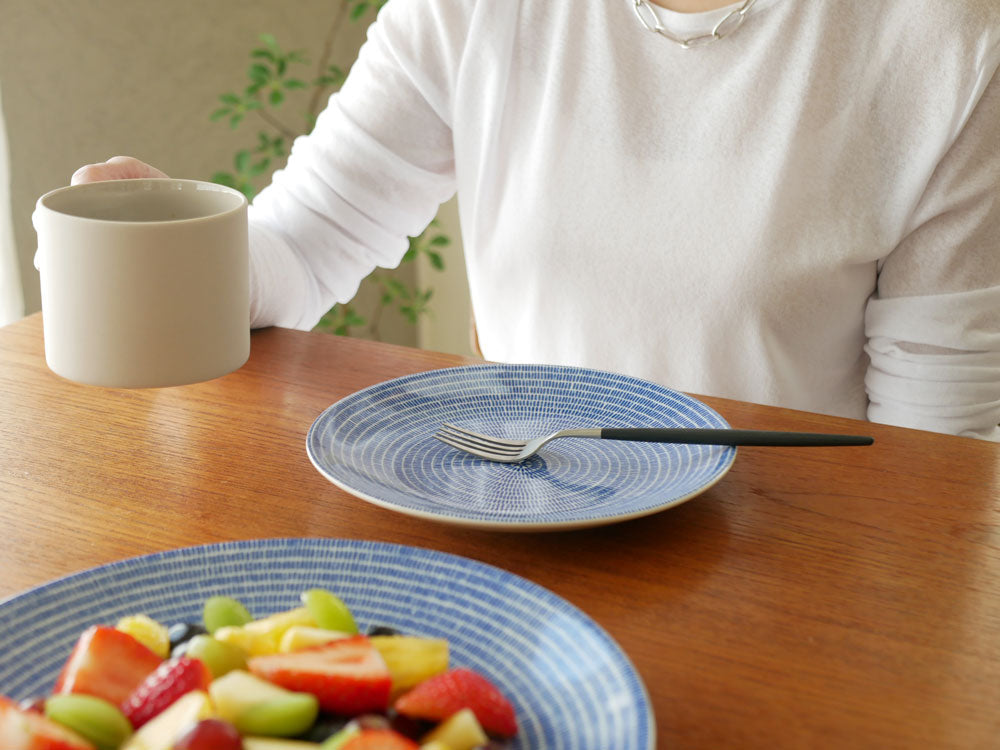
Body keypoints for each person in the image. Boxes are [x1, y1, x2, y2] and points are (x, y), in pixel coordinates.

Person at [72, 0, 1000, 439]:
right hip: (510, 518)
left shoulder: (947, 44)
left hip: (794, 563)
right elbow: (310, 242)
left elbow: (942, 446)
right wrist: (185, 252)